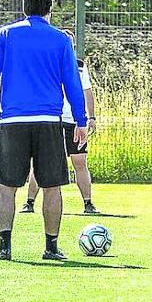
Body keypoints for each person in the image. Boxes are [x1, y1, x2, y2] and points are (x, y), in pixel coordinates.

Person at [0, 0, 87, 261]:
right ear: (50, 11)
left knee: (7, 186)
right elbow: (72, 84)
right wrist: (81, 119)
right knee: (52, 186)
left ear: (24, 8)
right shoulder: (61, 39)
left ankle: (4, 247)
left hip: (12, 120)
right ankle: (50, 247)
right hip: (49, 121)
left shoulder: (6, 34)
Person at [21, 30, 98, 215]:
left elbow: (86, 91)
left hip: (74, 121)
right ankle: (29, 202)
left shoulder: (79, 66)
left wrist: (91, 117)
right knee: (41, 162)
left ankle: (88, 204)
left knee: (80, 161)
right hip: (51, 119)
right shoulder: (47, 60)